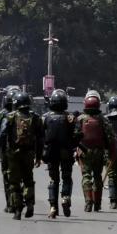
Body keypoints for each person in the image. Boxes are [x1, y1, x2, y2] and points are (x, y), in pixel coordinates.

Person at [0, 91, 43, 220]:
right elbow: (40, 138)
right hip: (29, 154)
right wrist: (38, 156)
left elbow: (2, 135)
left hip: (13, 154)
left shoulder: (10, 116)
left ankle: (17, 209)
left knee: (14, 182)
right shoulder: (36, 117)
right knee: (28, 180)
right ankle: (30, 203)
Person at [74, 91, 116, 212]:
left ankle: (88, 202)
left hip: (84, 152)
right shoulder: (103, 120)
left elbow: (75, 136)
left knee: (86, 176)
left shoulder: (80, 119)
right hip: (99, 152)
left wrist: (76, 150)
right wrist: (112, 152)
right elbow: (110, 137)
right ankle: (97, 204)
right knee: (97, 177)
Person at [42, 89, 76, 219]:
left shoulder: (45, 118)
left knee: (53, 180)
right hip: (66, 151)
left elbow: (40, 136)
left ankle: (53, 207)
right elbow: (78, 134)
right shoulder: (70, 117)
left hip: (50, 152)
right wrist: (73, 145)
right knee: (66, 177)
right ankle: (65, 198)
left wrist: (41, 152)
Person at [0, 87, 19, 213]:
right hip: (24, 151)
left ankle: (10, 204)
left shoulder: (2, 114)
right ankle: (18, 200)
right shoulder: (26, 115)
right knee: (21, 177)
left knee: (8, 177)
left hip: (7, 150)